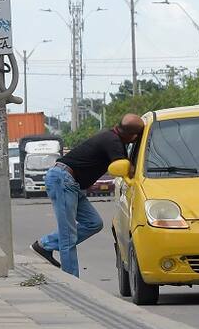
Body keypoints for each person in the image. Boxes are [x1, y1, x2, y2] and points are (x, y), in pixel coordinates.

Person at [31, 114, 144, 277]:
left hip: (71, 183)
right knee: (68, 235)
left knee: (93, 223)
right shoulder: (113, 142)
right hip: (63, 179)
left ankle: (45, 245)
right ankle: (71, 282)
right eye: (137, 137)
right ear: (132, 136)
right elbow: (126, 169)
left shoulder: (112, 137)